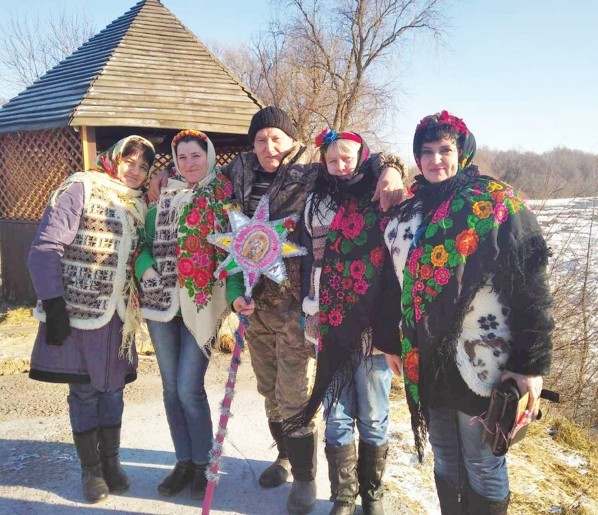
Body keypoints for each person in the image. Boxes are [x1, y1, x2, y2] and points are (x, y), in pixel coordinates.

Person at [149, 106, 405, 514]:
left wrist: (391, 168)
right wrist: (163, 174)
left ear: (291, 140)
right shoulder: (240, 170)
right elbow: (198, 173)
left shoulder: (311, 167)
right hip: (254, 305)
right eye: (261, 139)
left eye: (276, 138)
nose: (269, 146)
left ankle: (304, 478)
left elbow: (357, 160)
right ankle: (284, 456)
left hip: (293, 303)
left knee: (293, 392)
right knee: (268, 389)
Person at [383, 111, 554, 514]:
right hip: (428, 357)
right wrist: (393, 342)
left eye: (445, 150)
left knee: (483, 462)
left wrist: (529, 364)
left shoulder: (496, 203)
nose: (435, 159)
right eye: (426, 152)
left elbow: (531, 286)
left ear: (462, 153)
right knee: (444, 456)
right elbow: (396, 285)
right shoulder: (410, 211)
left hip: (483, 360)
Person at [27, 136, 155, 503]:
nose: (135, 170)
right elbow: (45, 249)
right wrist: (54, 305)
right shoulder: (81, 187)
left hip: (118, 318)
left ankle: (111, 462)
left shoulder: (137, 203)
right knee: (84, 391)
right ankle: (91, 470)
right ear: (114, 158)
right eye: (129, 161)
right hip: (78, 312)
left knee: (113, 390)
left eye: (143, 166)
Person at [292, 129, 406, 515]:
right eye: (331, 160)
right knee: (337, 416)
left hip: (373, 324)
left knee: (373, 415)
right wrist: (306, 306)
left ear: (361, 156)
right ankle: (343, 495)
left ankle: (372, 495)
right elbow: (304, 256)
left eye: (347, 158)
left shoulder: (379, 192)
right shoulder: (316, 200)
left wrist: (391, 168)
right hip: (330, 323)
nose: (340, 166)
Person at [135, 130, 233, 499]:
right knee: (170, 390)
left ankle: (204, 464)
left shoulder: (223, 197)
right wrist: (146, 268)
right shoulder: (164, 197)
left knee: (189, 388)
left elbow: (235, 249)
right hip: (160, 303)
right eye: (183, 157)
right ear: (175, 162)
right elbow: (144, 244)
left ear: (209, 156)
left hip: (202, 304)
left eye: (196, 156)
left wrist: (236, 295)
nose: (190, 163)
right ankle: (184, 462)